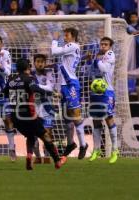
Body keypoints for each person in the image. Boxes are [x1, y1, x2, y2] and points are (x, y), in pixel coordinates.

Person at [1, 58, 62, 170]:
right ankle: (57, 160)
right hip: (29, 115)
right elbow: (35, 88)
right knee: (45, 136)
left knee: (30, 135)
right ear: (28, 68)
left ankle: (29, 156)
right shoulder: (29, 79)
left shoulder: (11, 81)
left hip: (15, 117)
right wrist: (52, 93)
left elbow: (2, 94)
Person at [51, 28, 88, 162]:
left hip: (70, 84)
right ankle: (71, 143)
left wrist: (54, 39)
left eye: (66, 35)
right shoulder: (73, 48)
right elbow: (66, 63)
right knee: (67, 118)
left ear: (73, 37)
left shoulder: (72, 45)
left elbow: (54, 51)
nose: (64, 37)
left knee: (75, 115)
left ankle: (83, 144)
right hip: (63, 85)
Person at [88, 37, 119, 164]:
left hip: (107, 92)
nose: (103, 46)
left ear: (110, 46)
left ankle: (115, 150)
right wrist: (91, 61)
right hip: (95, 91)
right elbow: (90, 73)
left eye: (106, 44)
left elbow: (104, 69)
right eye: (101, 44)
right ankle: (96, 149)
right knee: (96, 120)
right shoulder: (99, 57)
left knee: (109, 119)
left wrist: (95, 59)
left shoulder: (110, 54)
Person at [32, 54, 55, 164]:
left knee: (47, 132)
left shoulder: (49, 73)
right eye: (38, 61)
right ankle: (37, 156)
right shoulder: (30, 75)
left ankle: (46, 156)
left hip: (47, 106)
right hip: (33, 107)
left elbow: (50, 88)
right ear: (34, 63)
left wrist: (36, 87)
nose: (40, 63)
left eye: (42, 61)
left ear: (45, 63)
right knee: (33, 134)